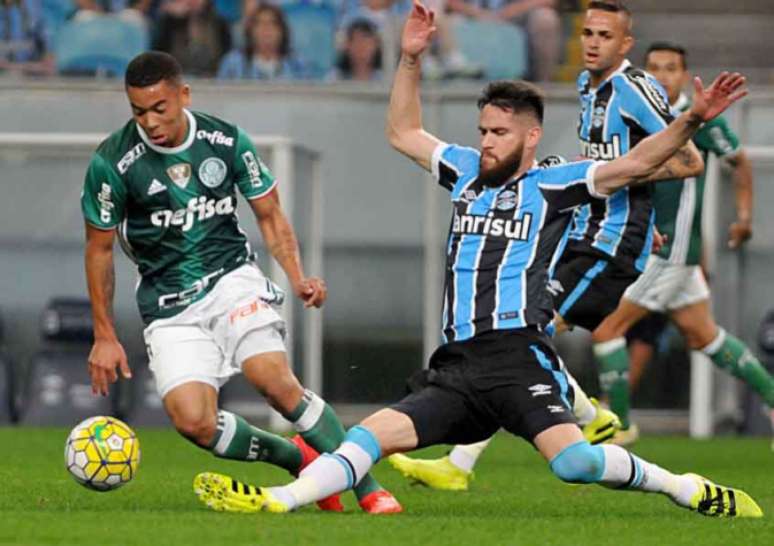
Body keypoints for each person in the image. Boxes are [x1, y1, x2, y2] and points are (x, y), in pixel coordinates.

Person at [190, 2, 761, 518]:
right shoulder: (464, 169)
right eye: (483, 129)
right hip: (458, 366)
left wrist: (690, 121)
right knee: (369, 436)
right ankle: (275, 501)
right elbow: (403, 131)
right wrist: (410, 59)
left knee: (576, 466)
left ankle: (684, 486)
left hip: (519, 358)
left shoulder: (555, 184)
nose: (486, 141)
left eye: (500, 133)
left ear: (531, 136)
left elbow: (633, 165)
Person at [385, 0, 702, 488]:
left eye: (604, 35)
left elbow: (687, 161)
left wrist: (629, 202)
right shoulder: (585, 85)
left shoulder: (633, 88)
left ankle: (466, 462)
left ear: (625, 44)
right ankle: (583, 415)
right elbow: (604, 158)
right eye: (588, 33)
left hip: (611, 240)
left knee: (520, 329)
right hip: (585, 228)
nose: (592, 42)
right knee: (518, 333)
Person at [81, 51, 401, 514]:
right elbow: (99, 250)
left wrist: (298, 276)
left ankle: (368, 487)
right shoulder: (112, 163)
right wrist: (104, 334)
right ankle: (297, 457)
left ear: (183, 95)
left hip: (231, 279)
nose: (149, 122)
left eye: (159, 108)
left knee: (274, 381)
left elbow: (269, 214)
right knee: (194, 422)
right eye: (138, 111)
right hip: (168, 303)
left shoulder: (224, 140)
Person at [585, 41, 774, 433]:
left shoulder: (697, 119)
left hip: (668, 250)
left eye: (671, 68)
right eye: (653, 67)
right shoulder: (639, 115)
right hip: (654, 247)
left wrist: (743, 217)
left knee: (606, 327)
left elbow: (738, 161)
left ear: (685, 76)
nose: (661, 75)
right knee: (704, 335)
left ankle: (618, 427)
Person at [446, 0, 560, 81]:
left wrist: (507, 12)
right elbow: (446, 2)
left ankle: (542, 85)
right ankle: (458, 82)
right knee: (449, 23)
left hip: (515, 16)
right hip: (470, 17)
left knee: (545, 19)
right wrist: (478, 14)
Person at [218, 3, 307, 81]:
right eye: (259, 24)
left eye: (273, 23)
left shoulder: (297, 64)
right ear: (250, 31)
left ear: (282, 31)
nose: (266, 29)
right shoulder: (233, 63)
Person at [154, 0, 232, 77]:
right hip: (178, 79)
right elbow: (159, 54)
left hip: (212, 79)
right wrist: (167, 18)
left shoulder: (219, 23)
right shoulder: (170, 22)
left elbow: (224, 56)